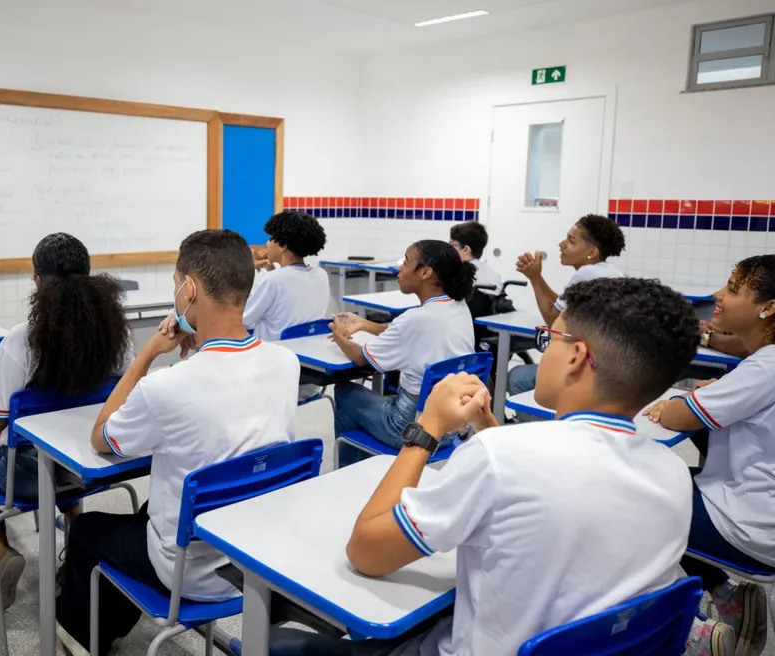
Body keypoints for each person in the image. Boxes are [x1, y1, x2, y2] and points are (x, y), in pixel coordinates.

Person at [273, 278, 709, 656]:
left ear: (576, 356)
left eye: (548, 338)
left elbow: (366, 552)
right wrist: (489, 430)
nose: (544, 346)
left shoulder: (504, 459)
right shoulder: (670, 469)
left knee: (275, 645)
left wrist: (426, 428)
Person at [54, 229, 301, 656]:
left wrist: (147, 355)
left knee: (89, 530)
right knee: (141, 517)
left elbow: (101, 437)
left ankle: (80, 635)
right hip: (256, 555)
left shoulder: (167, 386)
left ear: (188, 289)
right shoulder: (286, 361)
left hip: (191, 571)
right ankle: (111, 615)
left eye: (175, 284)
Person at [0, 233, 132, 619]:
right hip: (88, 465)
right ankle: (76, 540)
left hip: (27, 473)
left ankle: (1, 551)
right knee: (57, 445)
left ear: (39, 282)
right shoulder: (115, 335)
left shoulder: (22, 339)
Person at [644, 254, 775, 656]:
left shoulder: (765, 368)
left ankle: (687, 632)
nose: (719, 295)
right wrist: (718, 390)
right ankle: (727, 595)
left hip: (749, 523)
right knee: (664, 478)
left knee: (626, 502)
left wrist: (677, 405)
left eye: (733, 290)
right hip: (758, 512)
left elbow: (680, 417)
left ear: (768, 308)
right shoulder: (761, 366)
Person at [329, 240, 475, 467]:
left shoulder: (416, 319)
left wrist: (338, 334)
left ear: (426, 273)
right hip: (452, 422)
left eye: (406, 262)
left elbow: (360, 357)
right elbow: (404, 333)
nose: (399, 268)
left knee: (346, 391)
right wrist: (365, 324)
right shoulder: (459, 307)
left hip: (411, 427)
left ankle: (351, 471)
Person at [507, 214, 625, 396]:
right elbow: (562, 306)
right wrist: (537, 277)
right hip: (609, 368)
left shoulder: (586, 275)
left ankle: (548, 424)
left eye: (571, 241)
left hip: (589, 371)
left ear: (592, 252)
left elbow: (553, 320)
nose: (562, 244)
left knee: (517, 377)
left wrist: (534, 279)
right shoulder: (611, 272)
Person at [242, 210, 330, 341]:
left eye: (271, 238)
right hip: (307, 349)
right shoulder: (321, 275)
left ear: (283, 246)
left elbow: (243, 319)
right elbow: (290, 294)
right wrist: (272, 272)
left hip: (273, 352)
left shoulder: (273, 281)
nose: (267, 243)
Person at [449, 221, 502, 294]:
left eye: (452, 245)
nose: (449, 249)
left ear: (465, 249)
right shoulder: (494, 275)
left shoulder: (460, 275)